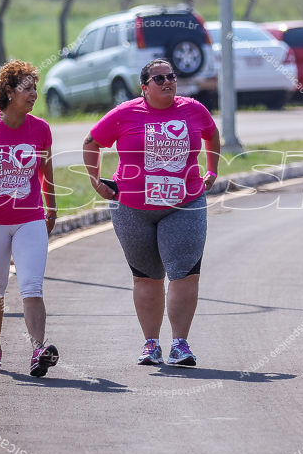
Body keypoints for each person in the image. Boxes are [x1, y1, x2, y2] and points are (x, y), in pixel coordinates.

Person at [82, 58, 220, 366]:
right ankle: (151, 344)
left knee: (184, 274)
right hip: (132, 208)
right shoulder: (125, 114)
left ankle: (181, 344)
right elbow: (91, 143)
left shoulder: (194, 110)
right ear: (145, 88)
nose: (168, 81)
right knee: (146, 278)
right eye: (159, 79)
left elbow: (211, 134)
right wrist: (96, 182)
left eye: (171, 76)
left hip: (184, 204)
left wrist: (212, 170)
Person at [0, 59, 59, 377]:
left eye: (35, 88)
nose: (34, 94)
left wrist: (52, 208)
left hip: (30, 218)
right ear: (8, 91)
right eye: (26, 88)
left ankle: (37, 351)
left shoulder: (41, 129)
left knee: (32, 285)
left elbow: (46, 172)